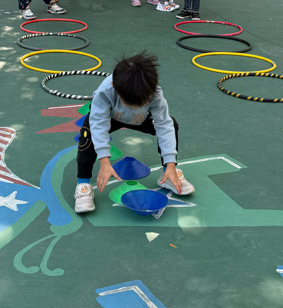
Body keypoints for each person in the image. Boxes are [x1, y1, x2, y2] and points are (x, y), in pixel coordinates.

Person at [73, 53, 195, 214]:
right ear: (114, 86)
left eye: (140, 103)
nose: (134, 107)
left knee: (171, 124)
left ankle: (167, 174)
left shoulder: (155, 93)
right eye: (128, 103)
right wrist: (104, 161)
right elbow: (99, 124)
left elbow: (164, 125)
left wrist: (171, 163)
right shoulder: (105, 91)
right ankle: (83, 184)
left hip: (141, 119)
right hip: (111, 117)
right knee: (88, 132)